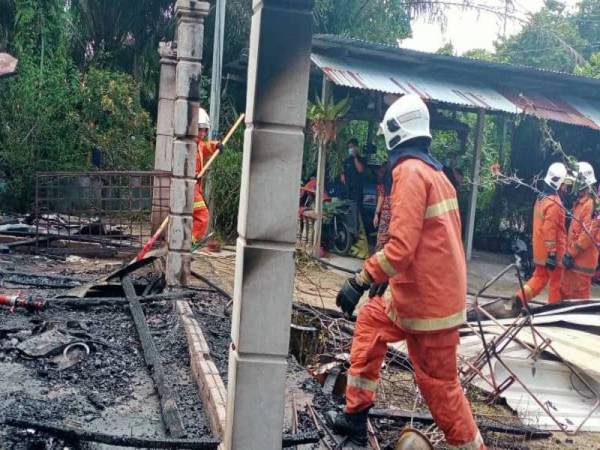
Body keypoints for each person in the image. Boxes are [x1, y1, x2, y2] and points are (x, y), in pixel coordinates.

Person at [326, 94, 485, 450]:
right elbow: (427, 245)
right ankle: (355, 416)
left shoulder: (411, 173)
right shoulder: (435, 173)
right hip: (422, 295)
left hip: (428, 305)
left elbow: (400, 248)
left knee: (440, 387)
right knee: (370, 322)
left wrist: (361, 279)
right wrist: (385, 282)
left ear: (395, 132)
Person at [512, 163, 568, 307]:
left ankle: (520, 297)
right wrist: (552, 254)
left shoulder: (540, 199)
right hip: (552, 253)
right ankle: (554, 312)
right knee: (556, 283)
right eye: (564, 184)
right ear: (558, 183)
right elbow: (549, 230)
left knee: (539, 278)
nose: (566, 188)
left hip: (539, 250)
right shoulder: (554, 203)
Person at [561, 162, 598, 300]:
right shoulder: (581, 203)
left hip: (581, 264)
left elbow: (587, 235)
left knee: (578, 303)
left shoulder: (590, 205)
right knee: (565, 296)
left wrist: (570, 254)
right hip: (575, 263)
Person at [193, 108, 222, 243]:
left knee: (192, 217)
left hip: (195, 188)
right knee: (202, 216)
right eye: (200, 129)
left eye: (205, 130)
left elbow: (206, 147)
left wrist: (217, 145)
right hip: (190, 189)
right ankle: (190, 242)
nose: (203, 133)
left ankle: (186, 241)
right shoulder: (186, 145)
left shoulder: (198, 145)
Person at [340, 138, 366, 210]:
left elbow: (360, 170)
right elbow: (342, 172)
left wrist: (355, 157)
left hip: (357, 192)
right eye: (349, 147)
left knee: (356, 211)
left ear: (356, 147)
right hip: (347, 191)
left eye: (352, 147)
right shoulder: (347, 160)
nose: (350, 149)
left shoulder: (361, 159)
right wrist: (342, 174)